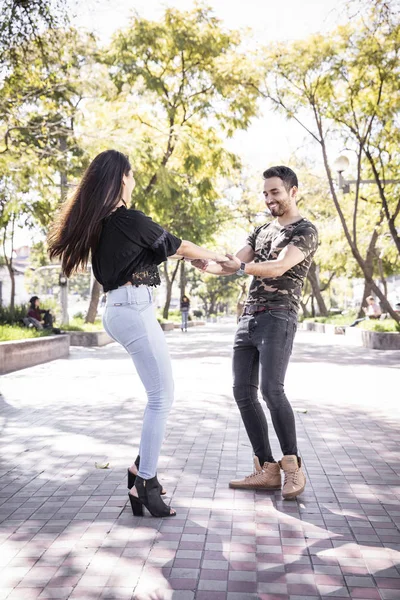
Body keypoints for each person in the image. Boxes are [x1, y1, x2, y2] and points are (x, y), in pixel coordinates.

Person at [48, 149, 229, 518]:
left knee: (161, 395)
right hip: (132, 309)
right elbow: (176, 242)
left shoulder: (105, 226)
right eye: (130, 175)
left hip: (126, 308)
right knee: (162, 397)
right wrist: (217, 256)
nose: (132, 181)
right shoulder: (127, 219)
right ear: (121, 179)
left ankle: (139, 473)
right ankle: (144, 481)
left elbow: (151, 260)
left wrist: (185, 257)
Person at [192, 166, 318, 500]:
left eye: (275, 192)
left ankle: (292, 467)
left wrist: (240, 268)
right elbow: (231, 263)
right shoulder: (260, 231)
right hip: (248, 317)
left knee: (272, 391)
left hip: (279, 316)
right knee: (242, 393)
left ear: (293, 191)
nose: (269, 199)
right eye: (265, 193)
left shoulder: (305, 231)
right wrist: (206, 264)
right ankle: (266, 468)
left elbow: (278, 267)